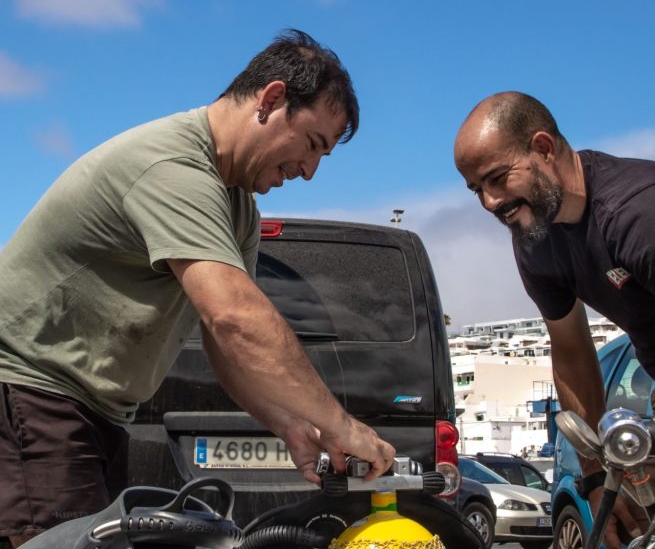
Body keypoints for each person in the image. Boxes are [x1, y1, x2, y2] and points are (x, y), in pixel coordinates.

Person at [0, 29, 395, 548]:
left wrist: (290, 425)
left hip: (96, 414)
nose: (309, 171)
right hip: (32, 395)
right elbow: (237, 317)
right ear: (271, 100)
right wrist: (342, 426)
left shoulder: (238, 210)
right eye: (313, 144)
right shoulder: (175, 168)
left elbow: (224, 342)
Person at [453, 91, 655, 548]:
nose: (488, 202)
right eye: (475, 189)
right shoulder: (535, 241)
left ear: (544, 148)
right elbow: (573, 354)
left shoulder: (643, 211)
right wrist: (596, 478)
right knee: (643, 535)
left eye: (498, 179)